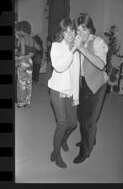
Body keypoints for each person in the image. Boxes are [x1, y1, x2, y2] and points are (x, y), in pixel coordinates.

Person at [73, 13, 109, 164]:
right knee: (82, 117)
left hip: (97, 85)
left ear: (90, 28)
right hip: (82, 83)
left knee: (89, 121)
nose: (81, 34)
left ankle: (85, 151)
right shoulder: (77, 40)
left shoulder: (98, 42)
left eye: (84, 30)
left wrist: (81, 48)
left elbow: (101, 64)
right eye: (78, 30)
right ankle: (89, 140)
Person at [48, 18, 82, 168]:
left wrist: (76, 96)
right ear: (62, 32)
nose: (69, 34)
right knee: (62, 124)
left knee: (73, 123)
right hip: (57, 91)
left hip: (70, 92)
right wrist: (73, 49)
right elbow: (60, 66)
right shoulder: (56, 46)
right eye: (65, 31)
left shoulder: (78, 50)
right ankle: (56, 154)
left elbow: (76, 76)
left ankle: (62, 140)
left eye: (72, 30)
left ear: (75, 31)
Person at [15, 21, 38, 108]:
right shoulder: (32, 39)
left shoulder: (22, 38)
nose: (17, 32)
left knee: (21, 83)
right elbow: (38, 48)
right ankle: (28, 102)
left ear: (21, 30)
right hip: (30, 62)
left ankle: (21, 102)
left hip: (23, 62)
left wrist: (15, 53)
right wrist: (32, 54)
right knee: (29, 82)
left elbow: (22, 52)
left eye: (18, 30)